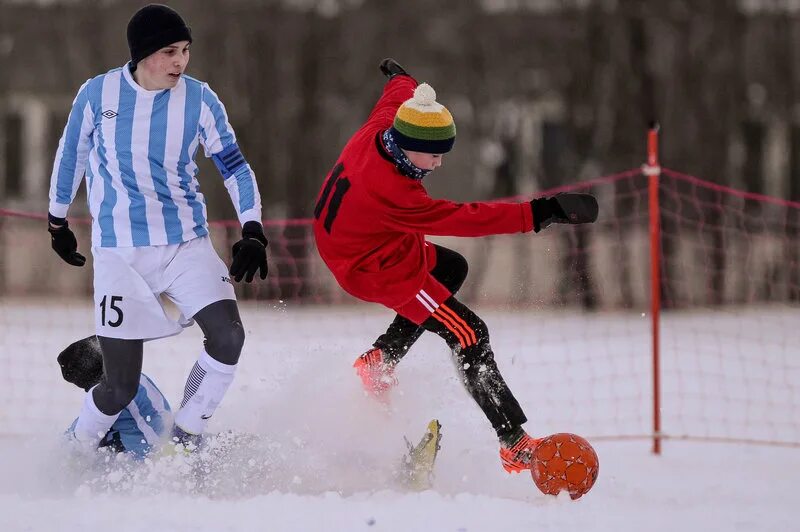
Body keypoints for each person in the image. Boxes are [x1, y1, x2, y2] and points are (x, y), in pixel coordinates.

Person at [313, 59, 598, 474]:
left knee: (450, 268)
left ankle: (380, 359)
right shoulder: (394, 193)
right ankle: (513, 442)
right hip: (374, 266)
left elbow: (396, 98)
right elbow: (467, 218)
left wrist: (401, 78)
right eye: (432, 155)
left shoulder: (382, 129)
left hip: (366, 241)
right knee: (469, 332)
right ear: (407, 144)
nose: (438, 164)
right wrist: (539, 212)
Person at [47, 4, 268, 451]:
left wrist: (253, 229)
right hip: (119, 254)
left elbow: (235, 167)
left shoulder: (201, 99)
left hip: (184, 242)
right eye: (169, 51)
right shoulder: (97, 93)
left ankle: (187, 434)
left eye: (185, 50)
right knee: (118, 388)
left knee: (229, 336)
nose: (180, 61)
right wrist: (57, 220)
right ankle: (73, 453)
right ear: (142, 54)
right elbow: (69, 156)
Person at [58, 336, 171, 459]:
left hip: (146, 462)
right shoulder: (133, 379)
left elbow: (77, 444)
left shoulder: (117, 392)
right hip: (156, 453)